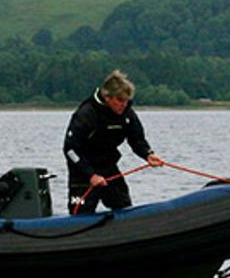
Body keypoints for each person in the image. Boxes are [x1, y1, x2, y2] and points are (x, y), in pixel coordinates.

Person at [63, 70, 163, 214]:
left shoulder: (127, 114)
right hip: (83, 171)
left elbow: (137, 139)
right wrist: (90, 175)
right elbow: (70, 149)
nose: (124, 105)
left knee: (124, 207)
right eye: (120, 101)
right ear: (107, 97)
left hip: (109, 167)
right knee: (80, 212)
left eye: (126, 100)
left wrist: (148, 154)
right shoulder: (86, 114)